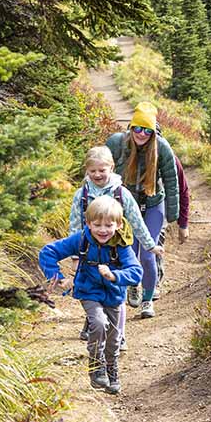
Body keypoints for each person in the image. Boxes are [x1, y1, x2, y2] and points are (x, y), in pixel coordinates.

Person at [39, 196, 142, 394]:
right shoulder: (81, 240)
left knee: (114, 339)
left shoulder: (121, 246)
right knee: (98, 322)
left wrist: (114, 275)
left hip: (114, 295)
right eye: (97, 225)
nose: (103, 230)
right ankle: (96, 365)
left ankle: (111, 368)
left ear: (118, 225)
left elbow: (136, 272)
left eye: (108, 225)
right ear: (88, 223)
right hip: (89, 291)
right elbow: (48, 252)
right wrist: (58, 277)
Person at [70, 145, 163, 350]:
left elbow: (137, 222)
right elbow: (75, 224)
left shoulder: (122, 193)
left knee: (116, 295)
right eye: (92, 171)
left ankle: (118, 336)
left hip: (117, 252)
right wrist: (75, 254)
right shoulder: (82, 194)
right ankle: (95, 323)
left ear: (111, 167)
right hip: (90, 252)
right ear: (87, 170)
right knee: (92, 291)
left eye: (102, 170)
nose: (97, 175)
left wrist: (150, 246)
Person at [106, 102, 179, 318]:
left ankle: (148, 299)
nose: (141, 134)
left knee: (148, 253)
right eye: (137, 128)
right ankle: (133, 285)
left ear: (153, 131)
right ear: (131, 127)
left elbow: (171, 180)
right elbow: (102, 172)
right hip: (125, 206)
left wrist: (174, 213)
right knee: (129, 250)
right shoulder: (117, 144)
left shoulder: (162, 147)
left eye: (147, 130)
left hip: (153, 204)